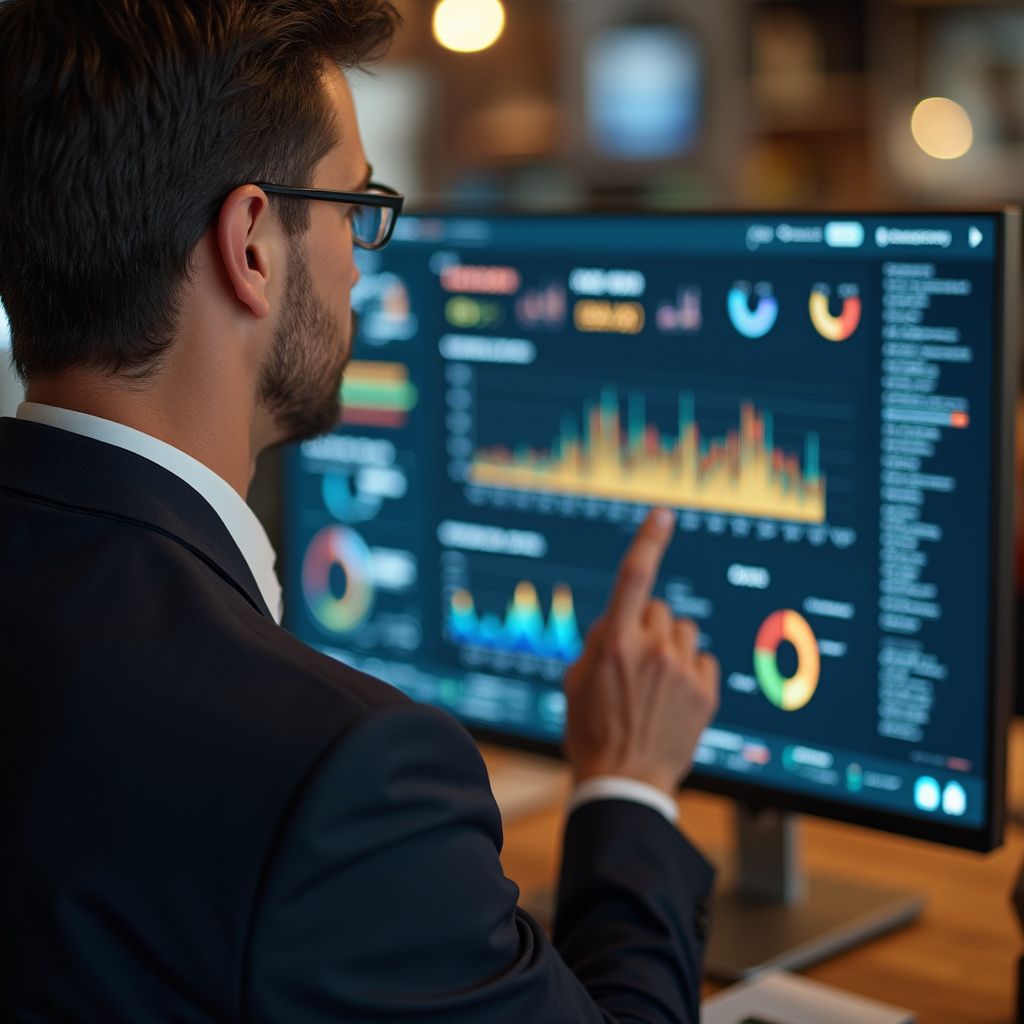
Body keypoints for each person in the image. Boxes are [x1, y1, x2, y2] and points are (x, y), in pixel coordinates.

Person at [0, 1, 721, 1019]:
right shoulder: (343, 776)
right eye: (354, 207)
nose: (359, 260)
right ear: (251, 243)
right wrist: (628, 786)